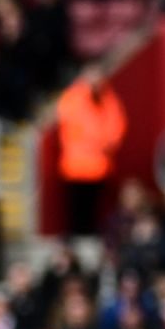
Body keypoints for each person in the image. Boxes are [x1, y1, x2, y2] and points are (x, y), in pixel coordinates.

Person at [56, 68, 127, 238]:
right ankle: (75, 234)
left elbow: (117, 125)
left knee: (93, 205)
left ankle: (89, 233)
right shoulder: (73, 98)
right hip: (76, 164)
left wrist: (107, 142)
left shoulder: (108, 99)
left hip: (99, 165)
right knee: (75, 204)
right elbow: (73, 127)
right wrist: (98, 141)